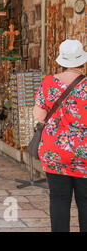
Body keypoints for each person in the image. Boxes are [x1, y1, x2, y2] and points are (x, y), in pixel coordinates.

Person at [33, 39, 87, 232]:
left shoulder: (48, 83)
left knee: (59, 198)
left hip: (55, 151)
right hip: (84, 153)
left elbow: (39, 115)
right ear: (82, 61)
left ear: (61, 61)